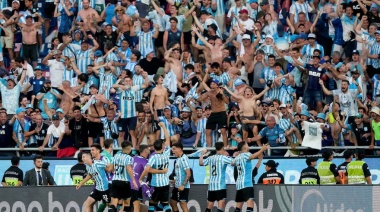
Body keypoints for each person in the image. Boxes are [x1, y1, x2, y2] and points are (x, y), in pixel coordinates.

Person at [139, 122, 171, 212]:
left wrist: (140, 179)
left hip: (155, 183)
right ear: (162, 147)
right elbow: (168, 139)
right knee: (165, 204)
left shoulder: (153, 157)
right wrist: (164, 127)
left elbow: (147, 169)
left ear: (154, 147)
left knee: (152, 204)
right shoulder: (166, 153)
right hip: (165, 183)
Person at [232, 142, 269, 212]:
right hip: (246, 183)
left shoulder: (237, 157)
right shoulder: (246, 154)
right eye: (247, 145)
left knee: (238, 205)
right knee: (250, 203)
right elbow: (252, 156)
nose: (249, 146)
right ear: (245, 148)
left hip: (239, 184)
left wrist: (260, 159)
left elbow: (232, 163)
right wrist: (262, 149)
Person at [199, 142, 232, 212]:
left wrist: (202, 154)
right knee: (221, 206)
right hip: (220, 186)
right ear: (223, 148)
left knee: (209, 206)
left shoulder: (211, 158)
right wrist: (228, 153)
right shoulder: (223, 158)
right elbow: (233, 162)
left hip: (211, 186)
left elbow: (201, 163)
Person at [109, 141, 136, 212]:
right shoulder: (129, 158)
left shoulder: (115, 156)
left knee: (113, 204)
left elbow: (111, 169)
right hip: (125, 182)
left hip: (115, 181)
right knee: (127, 204)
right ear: (128, 148)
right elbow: (129, 169)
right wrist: (133, 180)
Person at [170, 142, 191, 212]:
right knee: (172, 202)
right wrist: (174, 181)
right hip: (177, 186)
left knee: (183, 204)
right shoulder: (177, 160)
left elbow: (188, 174)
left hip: (183, 187)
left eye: (174, 149)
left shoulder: (184, 159)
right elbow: (179, 174)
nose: (172, 151)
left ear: (180, 149)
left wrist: (183, 185)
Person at [131, 144, 150, 212]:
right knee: (137, 206)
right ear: (145, 151)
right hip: (136, 186)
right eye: (148, 150)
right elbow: (149, 170)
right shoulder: (145, 161)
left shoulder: (133, 158)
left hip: (129, 184)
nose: (149, 151)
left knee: (126, 206)